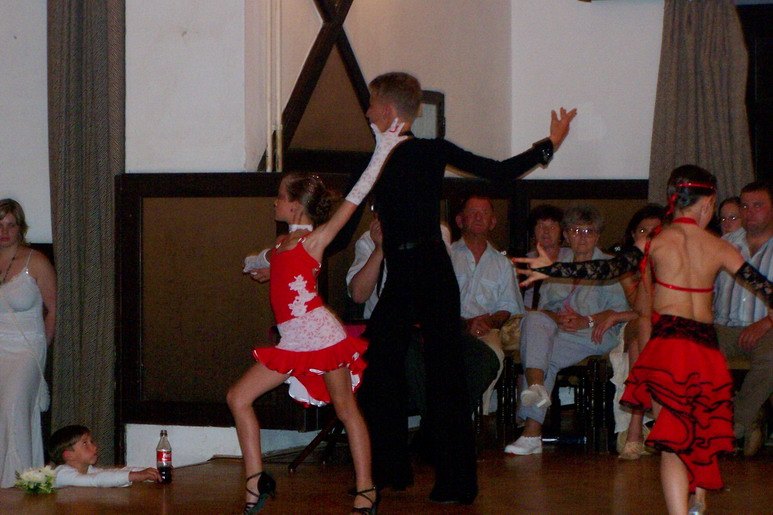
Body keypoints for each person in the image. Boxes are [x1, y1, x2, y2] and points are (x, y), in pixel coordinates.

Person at [355, 71, 576, 504]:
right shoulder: (378, 156)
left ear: (388, 109)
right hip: (403, 271)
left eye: (371, 104)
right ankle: (389, 470)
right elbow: (346, 212)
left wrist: (550, 143)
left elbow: (498, 172)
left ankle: (455, 481)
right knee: (380, 365)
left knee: (445, 373)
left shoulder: (429, 149)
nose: (366, 112)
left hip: (430, 268)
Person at [516, 165, 773, 515]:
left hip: (669, 344)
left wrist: (551, 269)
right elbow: (765, 288)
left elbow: (605, 269)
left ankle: (681, 510)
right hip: (703, 347)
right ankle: (698, 495)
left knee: (672, 439)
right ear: (707, 203)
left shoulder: (655, 241)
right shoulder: (720, 246)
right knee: (702, 428)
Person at [228, 121, 405, 515]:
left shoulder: (315, 240)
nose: (274, 203)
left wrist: (383, 149)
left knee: (345, 408)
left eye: (279, 197)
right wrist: (262, 268)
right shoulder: (282, 244)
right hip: (293, 340)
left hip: (321, 336)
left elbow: (355, 198)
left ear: (295, 205)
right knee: (238, 398)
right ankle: (256, 484)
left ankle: (366, 489)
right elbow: (267, 265)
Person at [504, 205, 635, 456]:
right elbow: (545, 308)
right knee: (533, 318)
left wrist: (585, 320)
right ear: (566, 235)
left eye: (588, 231)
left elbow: (619, 311)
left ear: (598, 236)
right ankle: (537, 386)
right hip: (561, 329)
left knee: (543, 357)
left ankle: (531, 431)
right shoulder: (560, 265)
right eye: (576, 231)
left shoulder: (609, 266)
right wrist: (559, 319)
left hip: (596, 331)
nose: (582, 237)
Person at [713, 181, 773, 457]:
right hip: (723, 326)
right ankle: (746, 418)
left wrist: (766, 323)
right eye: (745, 206)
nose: (750, 212)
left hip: (767, 327)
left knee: (771, 357)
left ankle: (735, 424)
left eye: (758, 205)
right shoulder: (726, 244)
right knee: (694, 350)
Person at [0, 199, 56, 488]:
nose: (4, 231)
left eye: (10, 225)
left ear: (20, 228)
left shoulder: (36, 261)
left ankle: (16, 485)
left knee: (14, 410)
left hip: (26, 348)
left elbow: (53, 309)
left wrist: (42, 347)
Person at [450, 195, 525, 413]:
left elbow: (508, 307)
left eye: (484, 213)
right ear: (460, 220)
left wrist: (488, 322)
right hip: (450, 327)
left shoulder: (503, 264)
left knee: (494, 356)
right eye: (472, 212)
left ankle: (476, 416)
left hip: (487, 329)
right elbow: (432, 301)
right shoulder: (445, 255)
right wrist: (465, 323)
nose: (478, 217)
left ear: (492, 222)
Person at [615, 203, 665, 460]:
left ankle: (634, 432)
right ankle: (659, 418)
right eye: (643, 231)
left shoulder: (675, 262)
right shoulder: (626, 266)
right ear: (633, 235)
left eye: (655, 231)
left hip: (660, 329)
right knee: (644, 325)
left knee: (640, 345)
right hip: (634, 323)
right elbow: (641, 308)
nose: (648, 236)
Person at [48, 425, 160, 487]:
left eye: (92, 442)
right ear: (68, 455)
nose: (94, 447)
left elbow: (112, 473)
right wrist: (133, 476)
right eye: (85, 443)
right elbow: (96, 480)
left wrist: (150, 473)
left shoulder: (89, 470)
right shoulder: (62, 474)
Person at [522, 204, 570, 310]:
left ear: (562, 232)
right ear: (533, 232)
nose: (546, 231)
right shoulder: (523, 262)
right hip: (529, 315)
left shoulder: (571, 258)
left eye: (552, 227)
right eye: (540, 226)